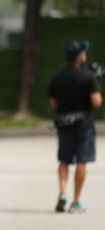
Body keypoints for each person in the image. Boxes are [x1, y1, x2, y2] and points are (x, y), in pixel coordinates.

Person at [48, 40, 102, 213]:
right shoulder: (89, 77)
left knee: (64, 160)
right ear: (79, 57)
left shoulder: (57, 76)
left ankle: (62, 192)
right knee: (81, 161)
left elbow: (53, 102)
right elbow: (96, 102)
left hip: (64, 123)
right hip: (83, 125)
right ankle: (76, 201)